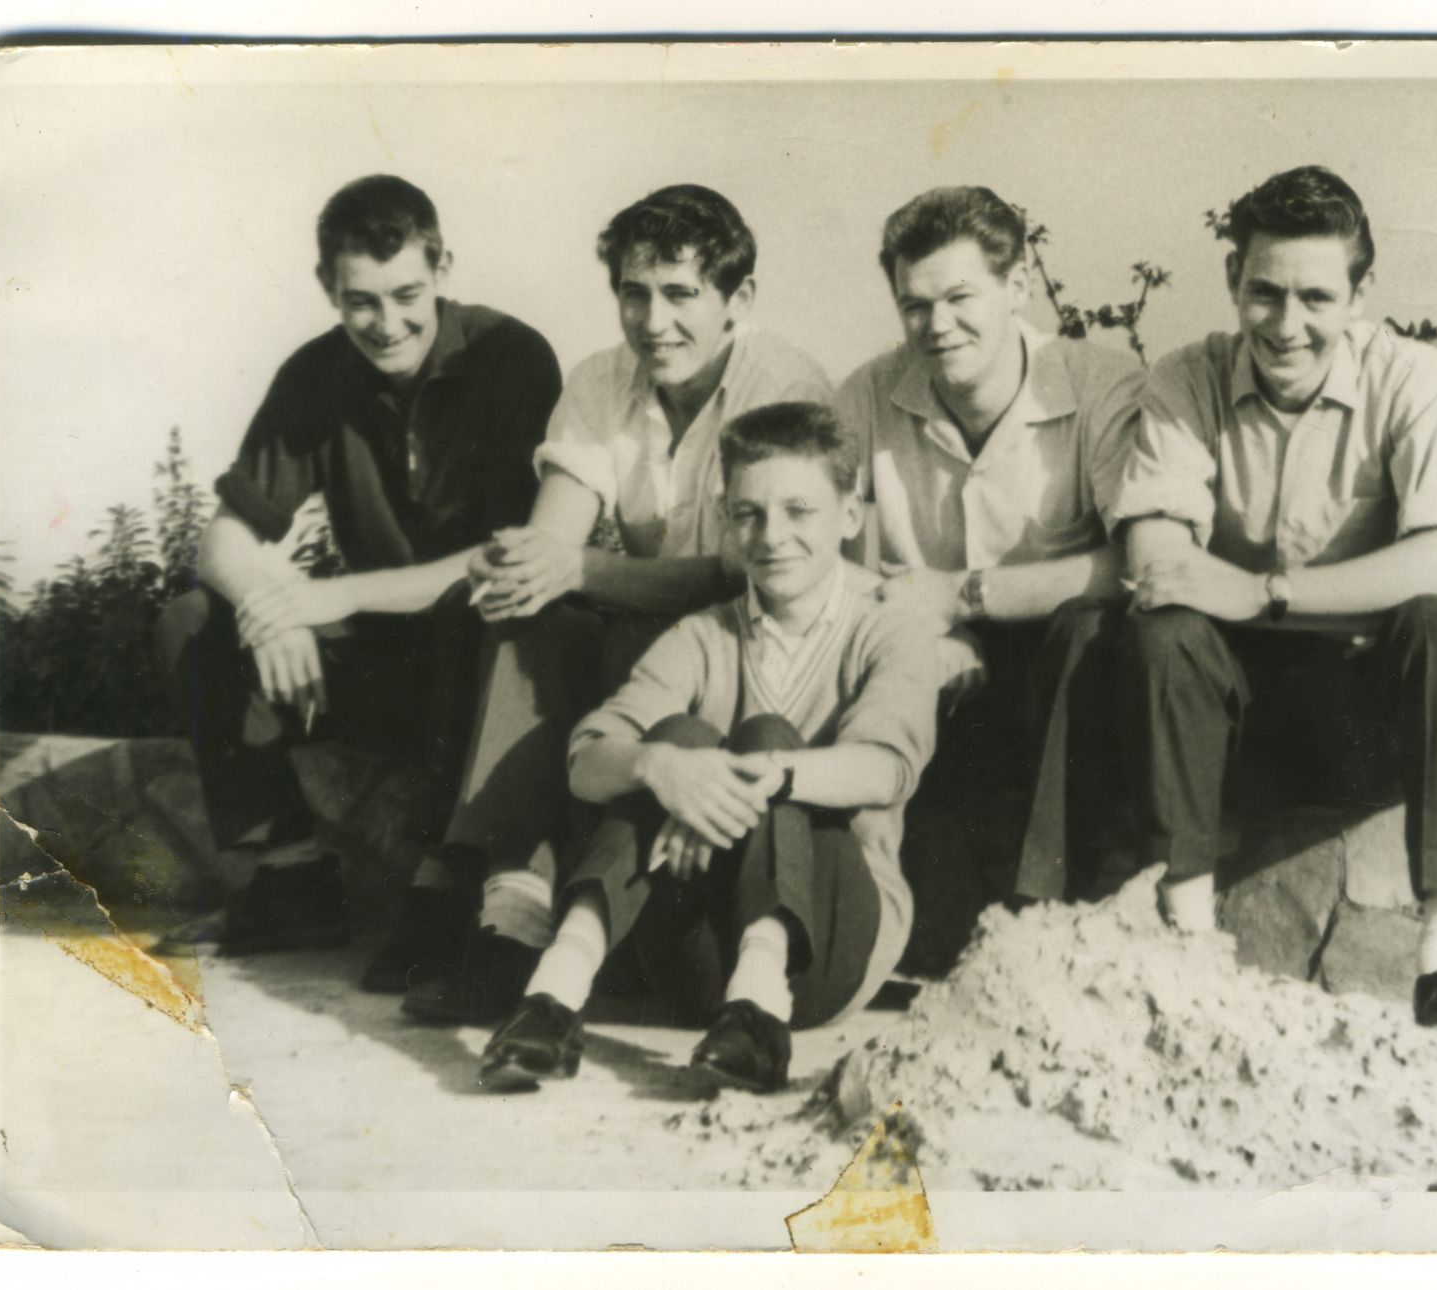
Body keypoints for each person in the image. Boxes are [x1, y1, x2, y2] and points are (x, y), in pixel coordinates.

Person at [368, 184, 834, 1013]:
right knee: (519, 612)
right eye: (633, 293)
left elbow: (745, 569)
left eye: (682, 294)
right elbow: (552, 542)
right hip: (637, 622)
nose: (654, 322)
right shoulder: (598, 381)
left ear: (740, 299)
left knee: (586, 618)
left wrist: (578, 571)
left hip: (741, 642)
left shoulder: (784, 380)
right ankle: (502, 904)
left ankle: (486, 905)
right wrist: (543, 567)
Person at [1107, 165, 1437, 1053]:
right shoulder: (1185, 381)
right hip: (1226, 718)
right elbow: (1159, 567)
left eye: (1318, 298)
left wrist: (1259, 590)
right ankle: (1188, 945)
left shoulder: (1411, 378)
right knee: (1164, 633)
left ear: (1362, 295)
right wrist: (1217, 591)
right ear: (1232, 283)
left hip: (1362, 718)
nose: (1288, 326)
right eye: (1266, 294)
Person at [477, 402, 938, 1093]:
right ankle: (552, 997)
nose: (771, 536)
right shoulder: (705, 635)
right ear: (727, 520)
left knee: (765, 736)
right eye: (749, 513)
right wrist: (661, 770)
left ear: (849, 516)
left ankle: (759, 1014)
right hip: (700, 962)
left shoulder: (888, 626)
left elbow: (886, 768)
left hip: (826, 953)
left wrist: (744, 782)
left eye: (799, 511)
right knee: (668, 742)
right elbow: (586, 758)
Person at [158, 174, 562, 956]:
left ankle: (446, 886)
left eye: (406, 293)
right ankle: (292, 881)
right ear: (326, 288)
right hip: (375, 665)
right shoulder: (316, 374)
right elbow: (223, 539)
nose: (386, 324)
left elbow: (500, 562)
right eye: (360, 301)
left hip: (478, 664)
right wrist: (265, 609)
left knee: (482, 618)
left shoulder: (512, 357)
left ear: (444, 269)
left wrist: (313, 598)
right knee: (190, 620)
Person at [833, 186, 1145, 931]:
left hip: (1066, 665)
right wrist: (926, 628)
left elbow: (1135, 564)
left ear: (1018, 286)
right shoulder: (869, 395)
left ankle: (1043, 921)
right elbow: (824, 556)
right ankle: (849, 906)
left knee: (1088, 635)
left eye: (959, 297)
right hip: (940, 661)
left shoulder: (1100, 384)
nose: (937, 326)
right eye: (914, 305)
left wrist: (963, 597)